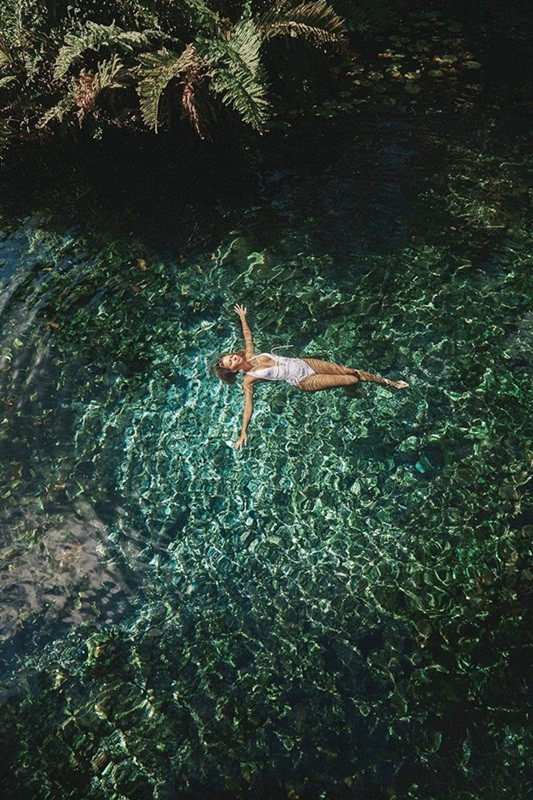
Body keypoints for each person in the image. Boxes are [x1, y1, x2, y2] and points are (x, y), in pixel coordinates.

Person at [214, 304, 409, 449]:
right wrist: (243, 431)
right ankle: (350, 390)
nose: (233, 357)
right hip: (304, 381)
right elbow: (248, 406)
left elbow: (248, 336)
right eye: (230, 361)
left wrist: (243, 317)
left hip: (306, 363)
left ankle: (390, 383)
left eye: (230, 356)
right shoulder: (248, 380)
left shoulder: (250, 355)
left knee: (352, 371)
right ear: (232, 370)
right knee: (352, 379)